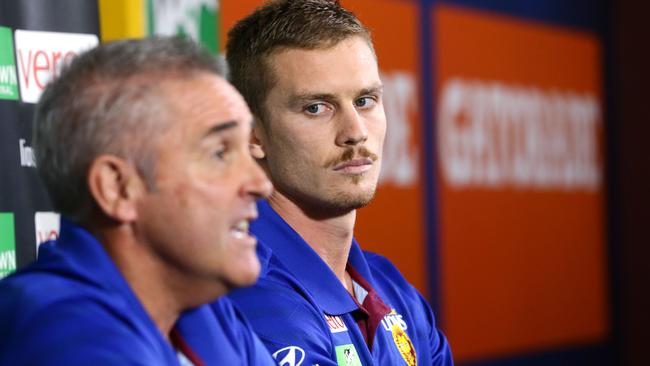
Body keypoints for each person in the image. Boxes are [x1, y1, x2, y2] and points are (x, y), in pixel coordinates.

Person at [0, 37, 275, 365]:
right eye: (219, 153)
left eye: (247, 148)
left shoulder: (206, 311)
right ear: (117, 187)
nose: (261, 184)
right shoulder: (63, 336)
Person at [224, 0, 453, 365]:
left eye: (365, 100)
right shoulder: (249, 295)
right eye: (316, 107)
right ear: (253, 134)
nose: (355, 132)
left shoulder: (394, 290)